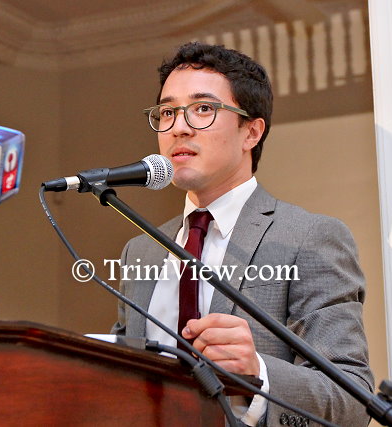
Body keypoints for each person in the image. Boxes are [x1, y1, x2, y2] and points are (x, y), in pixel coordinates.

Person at [111, 42, 373, 426]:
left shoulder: (310, 238)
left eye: (203, 108)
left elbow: (352, 401)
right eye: (167, 112)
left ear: (251, 131)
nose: (178, 127)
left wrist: (258, 375)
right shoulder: (141, 249)